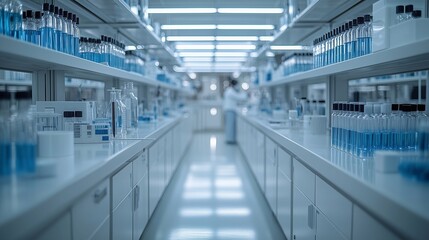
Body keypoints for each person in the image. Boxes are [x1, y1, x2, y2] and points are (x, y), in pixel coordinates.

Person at [223, 79, 247, 144]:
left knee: (230, 126)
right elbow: (239, 97)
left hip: (230, 110)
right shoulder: (230, 91)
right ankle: (230, 140)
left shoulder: (230, 90)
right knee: (230, 126)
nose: (238, 86)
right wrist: (246, 94)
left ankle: (230, 139)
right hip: (230, 110)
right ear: (234, 85)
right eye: (237, 85)